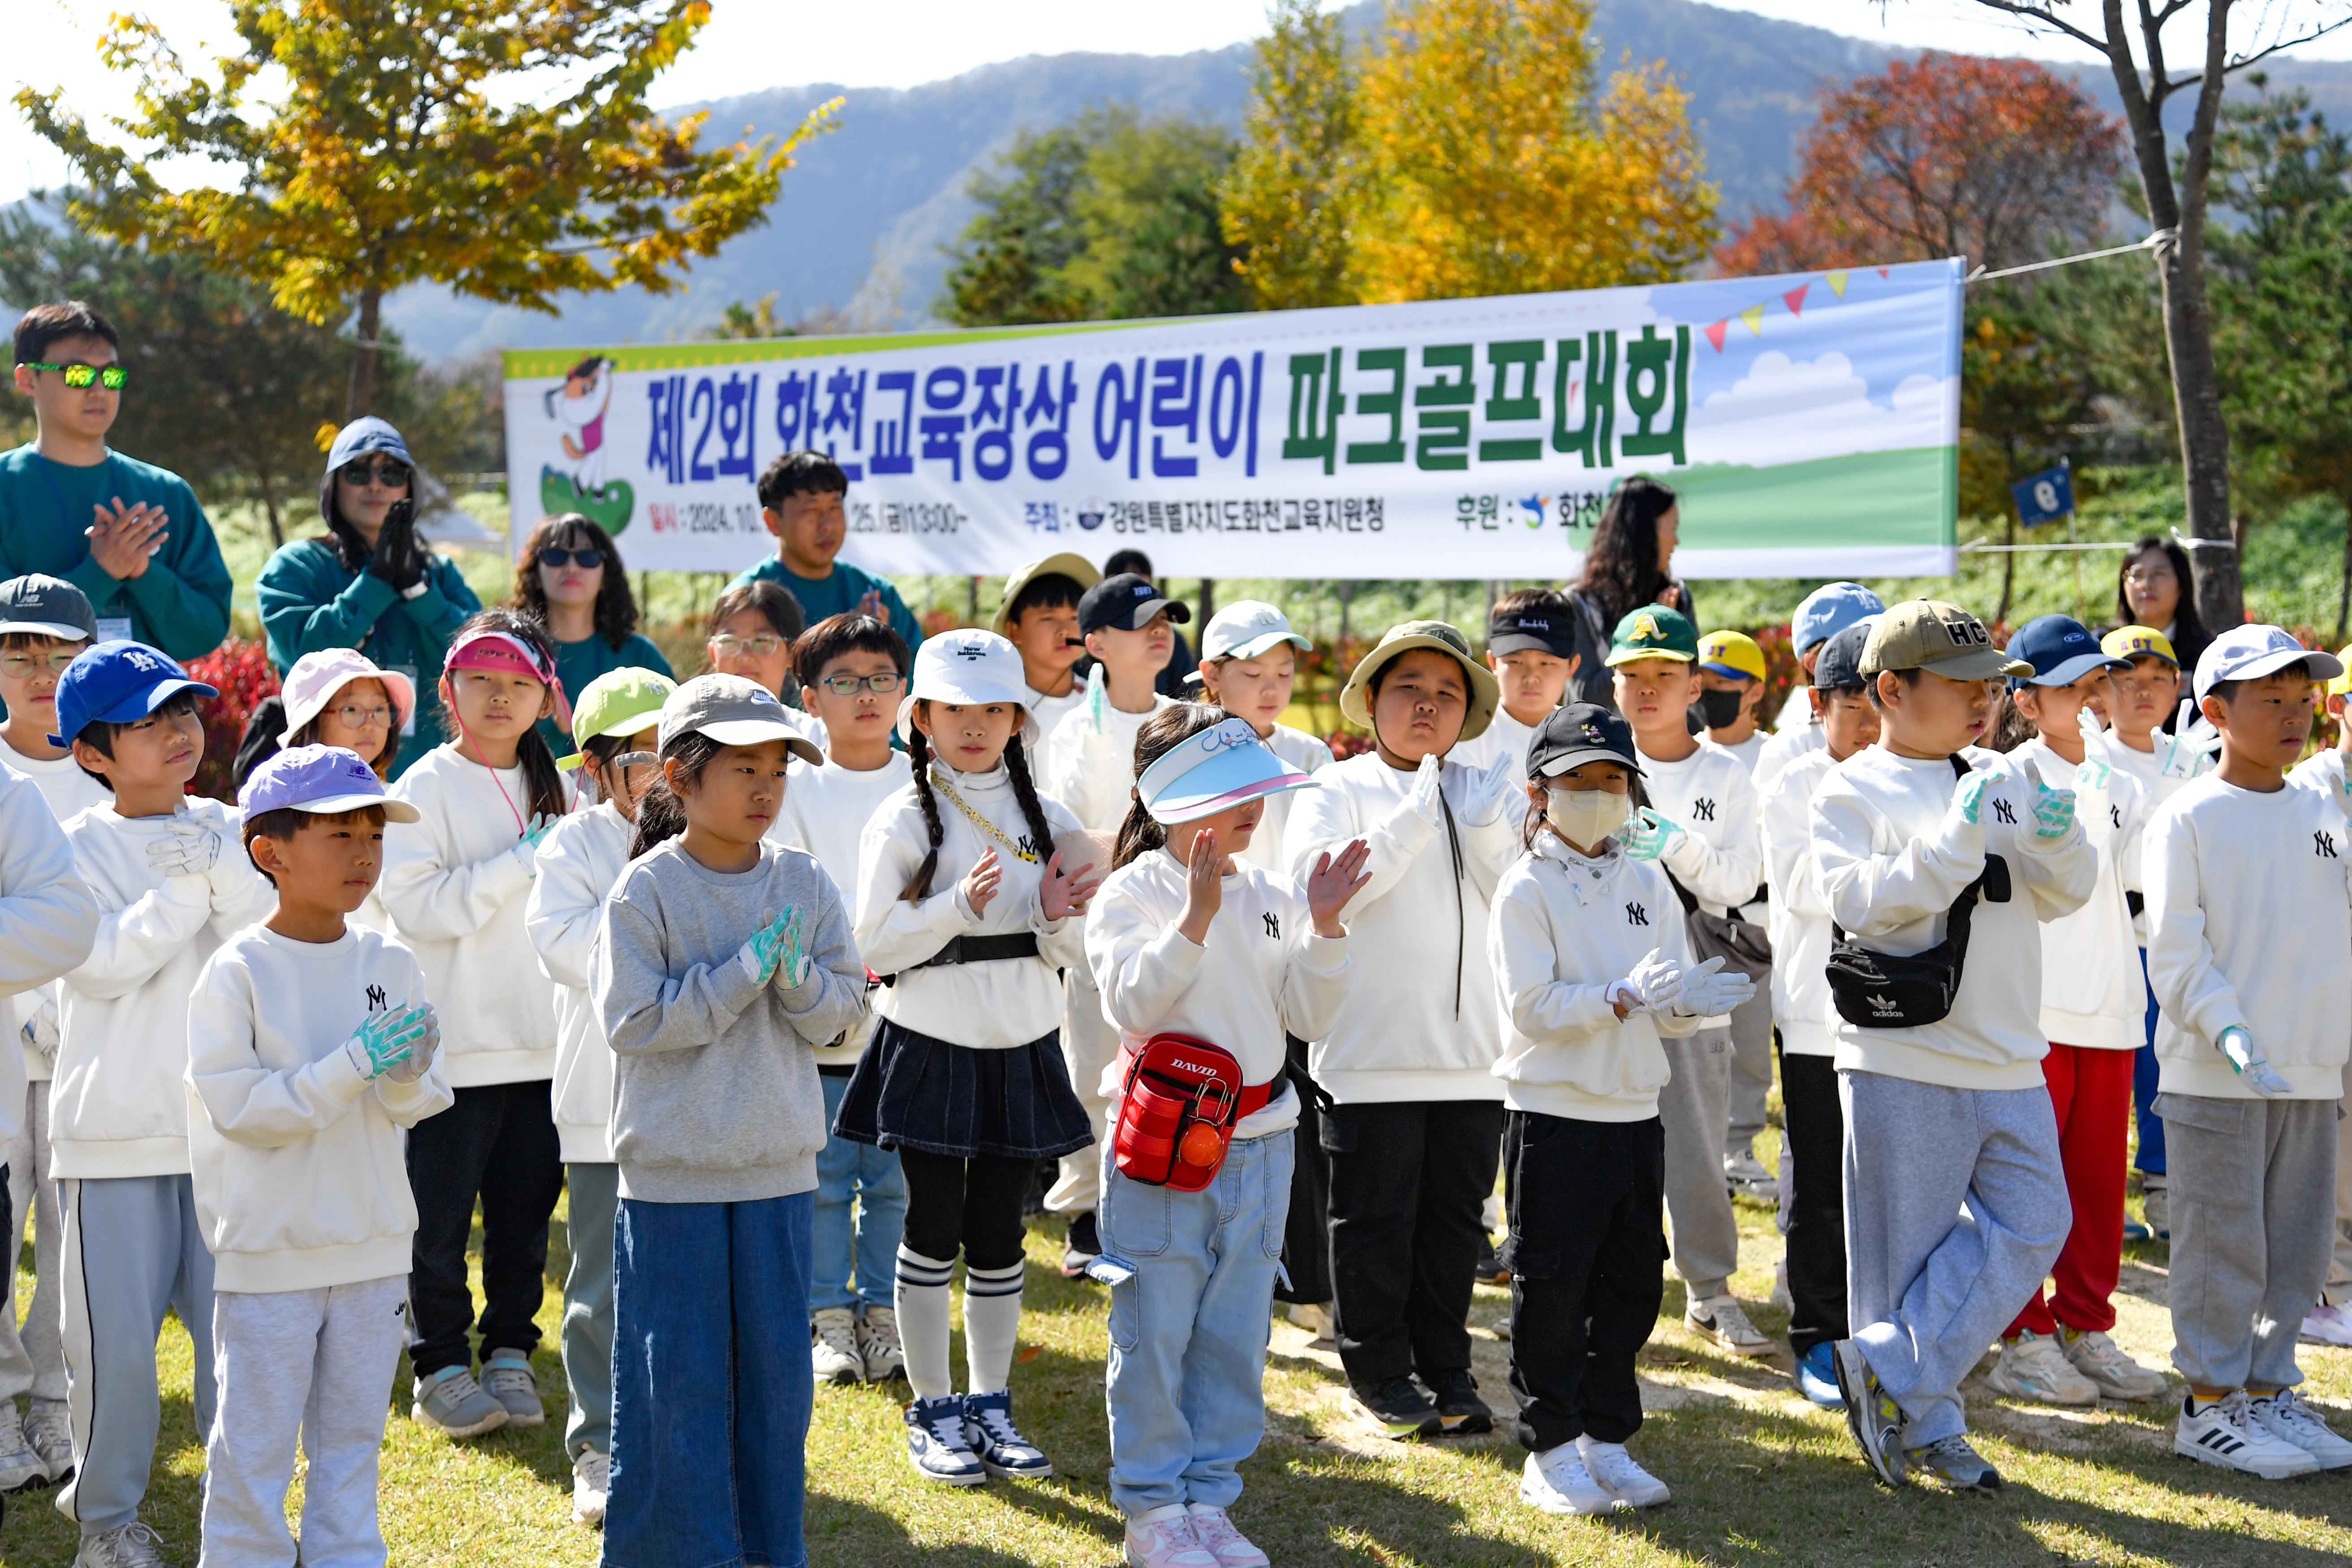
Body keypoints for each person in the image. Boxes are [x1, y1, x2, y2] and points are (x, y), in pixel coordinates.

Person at [1813, 600, 2091, 1493]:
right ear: (1889, 689)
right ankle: (1928, 1426)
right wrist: (1955, 834)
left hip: (2008, 1050)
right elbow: (1862, 903)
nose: (1984, 701)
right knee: (1902, 1259)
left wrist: (2059, 838)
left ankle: (1883, 1367)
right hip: (1903, 1053)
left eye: (1990, 683)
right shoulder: (1847, 789)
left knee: (2036, 1221)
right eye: (1960, 682)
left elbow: (2064, 892)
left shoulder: (2000, 773)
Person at [590, 674, 866, 1568]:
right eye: (742, 767)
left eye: (776, 769)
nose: (762, 788)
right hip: (671, 1181)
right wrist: (744, 971)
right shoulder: (645, 892)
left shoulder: (804, 881)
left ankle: (763, 1553)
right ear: (678, 772)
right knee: (676, 1388)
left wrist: (791, 980)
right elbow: (631, 1023)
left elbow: (843, 1017)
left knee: (775, 1391)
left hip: (777, 1175)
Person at [1088, 707, 1364, 1568]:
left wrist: (1323, 925)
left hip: (1262, 1140)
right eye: (1226, 789)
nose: (1250, 806)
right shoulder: (1132, 891)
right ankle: (1152, 1510)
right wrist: (1195, 915)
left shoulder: (1275, 894)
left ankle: (1208, 1498)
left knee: (1235, 1329)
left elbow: (1308, 1018)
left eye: (1255, 786)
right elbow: (1130, 1005)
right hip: (1162, 1149)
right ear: (1166, 799)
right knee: (1154, 1324)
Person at [834, 628, 1100, 1486]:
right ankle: (932, 1406)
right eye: (955, 707)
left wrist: (1057, 913)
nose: (975, 723)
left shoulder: (1049, 818)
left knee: (998, 1232)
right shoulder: (902, 816)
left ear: (1018, 717)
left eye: (993, 707)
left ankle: (990, 1404)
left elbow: (1071, 951)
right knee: (930, 1224)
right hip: (931, 1040)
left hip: (1021, 1041)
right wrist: (954, 903)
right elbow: (872, 941)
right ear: (920, 717)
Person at [186, 747, 451, 1568]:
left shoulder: (390, 960)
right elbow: (245, 1111)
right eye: (340, 833)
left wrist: (406, 1068)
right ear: (270, 850)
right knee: (252, 1449)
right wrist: (358, 1063)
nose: (365, 853)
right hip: (270, 1253)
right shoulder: (235, 971)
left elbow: (415, 1100)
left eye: (373, 832)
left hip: (373, 1249)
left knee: (351, 1446)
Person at [1491, 702, 1754, 1516]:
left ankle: (1606, 1438)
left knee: (1632, 1280)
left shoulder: (1645, 877)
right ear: (1540, 790)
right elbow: (1531, 1004)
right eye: (1578, 780)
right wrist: (1617, 995)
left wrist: (1685, 1004)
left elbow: (1662, 988)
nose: (1598, 794)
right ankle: (1550, 1446)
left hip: (1635, 1110)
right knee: (1553, 1284)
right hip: (1553, 1113)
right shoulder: (1524, 886)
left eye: (1613, 778)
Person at [50, 640, 274, 1561]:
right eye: (147, 722)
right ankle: (105, 1521)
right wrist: (187, 896)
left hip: (228, 1131)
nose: (179, 731)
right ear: (92, 753)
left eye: (183, 711)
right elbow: (97, 966)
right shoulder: (73, 847)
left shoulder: (232, 824)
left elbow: (268, 938)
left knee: (242, 1344)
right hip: (116, 1137)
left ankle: (247, 1515)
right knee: (118, 1356)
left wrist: (219, 880)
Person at [1283, 622, 1519, 1439]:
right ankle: (1378, 1369)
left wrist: (1485, 829)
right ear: (1371, 701)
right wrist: (1413, 819)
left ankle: (1445, 1363)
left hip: (1472, 1059)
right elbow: (1329, 891)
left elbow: (1516, 904)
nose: (1427, 704)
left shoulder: (1488, 785)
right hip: (1369, 1052)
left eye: (1446, 692)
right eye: (1407, 688)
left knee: (1455, 1222)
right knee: (1373, 1220)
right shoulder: (1334, 787)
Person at [2146, 626, 2352, 1478]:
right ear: (2214, 711)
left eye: (2301, 697)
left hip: (2308, 1071)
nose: (2292, 712)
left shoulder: (2321, 810)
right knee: (2220, 1243)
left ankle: (2265, 1390)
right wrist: (2225, 1027)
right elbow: (2175, 947)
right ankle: (2206, 1403)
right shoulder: (2186, 816)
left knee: (2296, 1249)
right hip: (2215, 1073)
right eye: (2269, 698)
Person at [381, 609, 574, 1442]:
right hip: (454, 1049)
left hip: (545, 1043)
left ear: (544, 695)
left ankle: (509, 1349)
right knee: (438, 1217)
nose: (499, 697)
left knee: (526, 1219)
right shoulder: (422, 784)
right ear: (448, 689)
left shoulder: (565, 783)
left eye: (518, 682)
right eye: (481, 680)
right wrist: (519, 860)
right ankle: (438, 1363)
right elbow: (417, 907)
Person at [1980, 617, 2170, 1407]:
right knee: (2028, 1183)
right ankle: (2021, 1334)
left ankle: (2086, 1324)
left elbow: (2140, 900)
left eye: (2099, 680)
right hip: (2032, 1012)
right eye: (2072, 685)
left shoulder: (2124, 783)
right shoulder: (2004, 778)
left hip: (2113, 1009)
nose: (2094, 696)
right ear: (2026, 700)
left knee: (2096, 1185)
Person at [524, 664, 674, 1526]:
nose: (661, 777)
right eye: (641, 759)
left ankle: (672, 1433)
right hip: (598, 1103)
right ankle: (598, 1441)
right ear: (594, 767)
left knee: (684, 1276)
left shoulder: (713, 837)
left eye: (674, 754)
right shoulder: (570, 847)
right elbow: (567, 949)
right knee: (600, 1283)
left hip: (695, 1098)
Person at [1605, 606, 1771, 1355]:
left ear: (1693, 682)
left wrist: (1677, 844)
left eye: (1663, 675)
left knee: (1699, 1149)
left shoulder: (1724, 773)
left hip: (1695, 989)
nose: (1647, 689)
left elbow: (1739, 880)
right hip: (1602, 993)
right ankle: (1598, 1286)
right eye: (1631, 676)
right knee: (1597, 1150)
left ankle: (1708, 1289)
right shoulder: (1587, 760)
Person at [1185, 600, 1338, 1340]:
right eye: (1252, 673)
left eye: (1282, 671)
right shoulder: (1188, 747)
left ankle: (1304, 1279)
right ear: (1210, 677)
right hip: (1212, 956)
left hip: (1291, 955)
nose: (1271, 686)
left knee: (1296, 1121)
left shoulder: (1310, 753)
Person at [774, 614, 914, 1386]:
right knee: (824, 1178)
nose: (865, 695)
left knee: (891, 1180)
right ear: (810, 696)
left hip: (907, 1021)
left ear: (902, 690)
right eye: (843, 680)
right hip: (819, 1015)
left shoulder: (926, 782)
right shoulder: (794, 787)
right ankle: (828, 1314)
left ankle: (883, 1313)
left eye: (880, 678)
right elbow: (792, 890)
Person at [1041, 573, 1183, 1273]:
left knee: (1169, 1059)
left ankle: (1160, 1198)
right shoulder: (1074, 732)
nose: (1160, 631)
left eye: (1165, 619)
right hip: (1096, 925)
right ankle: (1087, 1214)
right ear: (1094, 642)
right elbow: (1066, 835)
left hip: (1181, 915)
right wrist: (1134, 853)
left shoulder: (1184, 719)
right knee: (1093, 1064)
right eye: (1140, 623)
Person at [0, 573, 104, 1490]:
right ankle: (0, 1404)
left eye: (59, 655)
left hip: (95, 1041)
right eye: (18, 653)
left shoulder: (117, 763)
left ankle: (56, 1405)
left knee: (77, 1236)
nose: (39, 672)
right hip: (2, 1039)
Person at [1758, 619, 1877, 1409]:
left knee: (1886, 1181)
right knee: (1820, 1181)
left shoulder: (1913, 768)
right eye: (1851, 703)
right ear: (1815, 703)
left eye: (1882, 700)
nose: (1869, 719)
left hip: (1900, 1014)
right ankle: (1817, 1337)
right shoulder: (1790, 774)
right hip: (1814, 1009)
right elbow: (1807, 886)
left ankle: (1880, 1333)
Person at [0, 302, 232, 663]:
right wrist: (101, 573)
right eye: (77, 374)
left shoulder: (167, 493)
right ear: (28, 380)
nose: (98, 390)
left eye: (110, 375)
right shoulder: (6, 488)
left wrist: (144, 573)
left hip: (141, 718)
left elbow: (206, 632)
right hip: (27, 720)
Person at [257, 416, 483, 777]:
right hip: (324, 784)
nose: (376, 485)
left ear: (409, 488)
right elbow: (303, 650)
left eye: (391, 474)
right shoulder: (296, 567)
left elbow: (480, 660)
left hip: (429, 783)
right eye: (359, 472)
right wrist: (375, 583)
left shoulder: (439, 573)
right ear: (334, 487)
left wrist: (421, 593)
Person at [2096, 625, 2213, 1243]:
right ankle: (2105, 1195)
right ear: (2102, 687)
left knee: (2166, 1070)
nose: (2142, 693)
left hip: (2172, 940)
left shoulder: (2194, 758)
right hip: (2110, 940)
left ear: (2177, 687)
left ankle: (2166, 1189)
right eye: (2125, 679)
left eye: (2156, 680)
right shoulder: (2090, 755)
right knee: (2113, 1073)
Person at [1692, 627, 1778, 1199]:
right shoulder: (1684, 753)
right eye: (1706, 682)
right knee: (1699, 1045)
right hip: (1697, 916)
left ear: (1753, 692)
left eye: (1726, 684)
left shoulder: (1776, 755)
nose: (1711, 693)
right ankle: (1700, 1152)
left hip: (1761, 920)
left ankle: (1739, 1147)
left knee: (1749, 1045)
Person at [2291, 651, 2352, 1348]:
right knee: (2328, 1148)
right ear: (2336, 708)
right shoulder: (2310, 787)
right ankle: (2322, 1289)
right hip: (2324, 989)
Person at [510, 512, 675, 758]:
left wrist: (579, 734)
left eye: (587, 557)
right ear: (536, 573)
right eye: (556, 556)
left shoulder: (640, 656)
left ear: (605, 575)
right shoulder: (515, 654)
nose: (572, 567)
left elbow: (675, 741)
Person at [734, 450, 923, 654]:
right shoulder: (747, 600)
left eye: (835, 507)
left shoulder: (878, 594)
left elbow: (917, 676)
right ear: (773, 521)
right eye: (811, 510)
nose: (827, 524)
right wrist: (849, 637)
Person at [1562, 476, 1692, 711]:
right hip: (1600, 744)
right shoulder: (1578, 604)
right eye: (1672, 529)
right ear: (1645, 535)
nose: (1676, 541)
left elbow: (1693, 688)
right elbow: (1586, 695)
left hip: (1664, 745)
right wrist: (1646, 637)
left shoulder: (1677, 596)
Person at [1450, 590, 1580, 799]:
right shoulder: (1469, 734)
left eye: (1547, 663)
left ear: (1572, 666)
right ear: (1493, 663)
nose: (1531, 677)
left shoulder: (1585, 736)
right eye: (1515, 662)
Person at [1757, 583, 1886, 788]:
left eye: (1878, 637)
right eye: (1853, 641)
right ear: (1814, 664)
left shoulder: (1906, 728)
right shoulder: (1788, 752)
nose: (1869, 649)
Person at [233, 648, 416, 792]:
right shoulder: (282, 804)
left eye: (380, 709)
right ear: (308, 726)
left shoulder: (398, 801)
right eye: (351, 710)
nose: (369, 725)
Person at [993, 553, 1099, 739]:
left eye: (1075, 618)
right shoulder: (994, 704)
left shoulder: (1100, 701)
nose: (1064, 631)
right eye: (1048, 618)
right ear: (1014, 631)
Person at [2112, 535, 2212, 695]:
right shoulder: (2103, 648)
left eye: (2159, 574)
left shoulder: (2205, 654)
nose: (2146, 584)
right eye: (2137, 575)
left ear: (2182, 585)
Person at [1101, 550, 1198, 696]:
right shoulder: (1097, 632)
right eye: (1128, 579)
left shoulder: (1171, 637)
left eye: (1163, 619)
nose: (1158, 631)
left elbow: (1188, 692)